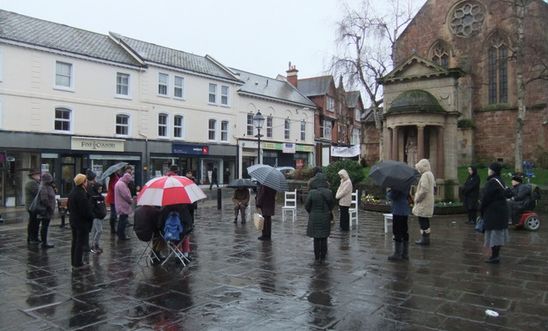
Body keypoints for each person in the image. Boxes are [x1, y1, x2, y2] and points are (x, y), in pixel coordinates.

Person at [480, 162, 510, 264]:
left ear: (492, 171)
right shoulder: (500, 180)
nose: (488, 171)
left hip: (494, 212)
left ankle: (495, 256)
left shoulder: (492, 182)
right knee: (497, 234)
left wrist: (481, 208)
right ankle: (495, 255)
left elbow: (486, 198)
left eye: (489, 169)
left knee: (495, 234)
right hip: (500, 211)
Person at [305, 173, 335, 265]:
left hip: (314, 217)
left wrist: (312, 212)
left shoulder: (312, 192)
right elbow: (332, 205)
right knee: (324, 237)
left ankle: (317, 257)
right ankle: (323, 256)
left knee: (316, 239)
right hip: (325, 217)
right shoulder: (329, 192)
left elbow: (307, 206)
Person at [67, 174, 94, 270]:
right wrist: (91, 216)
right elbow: (85, 210)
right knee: (80, 242)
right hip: (81, 222)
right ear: (83, 182)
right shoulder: (81, 194)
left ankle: (74, 261)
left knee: (75, 241)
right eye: (86, 181)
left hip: (73, 220)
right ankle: (78, 263)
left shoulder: (73, 192)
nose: (87, 183)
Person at [413, 159, 436, 246]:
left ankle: (424, 239)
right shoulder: (430, 174)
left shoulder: (425, 175)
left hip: (424, 202)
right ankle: (425, 238)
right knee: (425, 219)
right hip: (428, 201)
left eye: (419, 168)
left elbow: (424, 190)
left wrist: (417, 198)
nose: (418, 170)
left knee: (422, 220)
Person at [387, 187, 410, 261]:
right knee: (404, 231)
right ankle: (405, 253)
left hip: (398, 210)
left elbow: (392, 196)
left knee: (397, 231)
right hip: (405, 210)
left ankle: (397, 254)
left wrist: (389, 191)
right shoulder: (406, 183)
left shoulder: (397, 184)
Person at [87, 171, 106, 254]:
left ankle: (94, 244)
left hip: (100, 215)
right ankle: (94, 245)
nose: (100, 190)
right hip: (96, 215)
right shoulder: (94, 196)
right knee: (99, 230)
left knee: (94, 231)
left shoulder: (100, 197)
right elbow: (91, 206)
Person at [37, 172, 57, 249]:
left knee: (45, 226)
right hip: (46, 210)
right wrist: (49, 207)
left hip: (48, 210)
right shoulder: (43, 187)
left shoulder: (49, 186)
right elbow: (44, 199)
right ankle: (44, 242)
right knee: (45, 226)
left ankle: (44, 241)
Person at [114, 172, 134, 240]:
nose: (129, 182)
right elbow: (126, 195)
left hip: (120, 205)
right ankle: (121, 235)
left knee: (121, 220)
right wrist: (131, 200)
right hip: (123, 205)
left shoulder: (119, 183)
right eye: (128, 180)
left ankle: (120, 234)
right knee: (123, 221)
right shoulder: (122, 184)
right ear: (126, 179)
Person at [24, 169, 41, 245]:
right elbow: (38, 192)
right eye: (37, 175)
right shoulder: (31, 183)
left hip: (33, 206)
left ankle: (34, 237)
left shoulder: (35, 182)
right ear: (33, 176)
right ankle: (32, 238)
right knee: (33, 223)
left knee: (35, 222)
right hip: (32, 206)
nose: (39, 176)